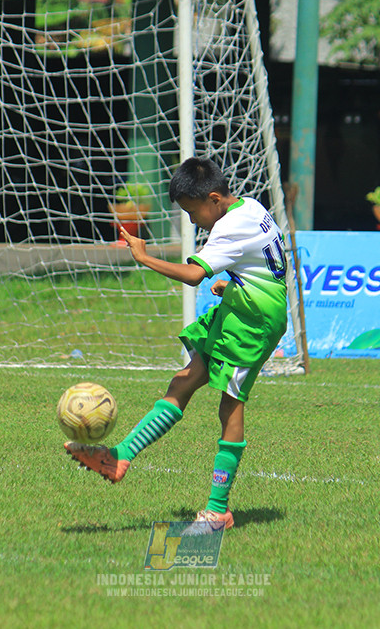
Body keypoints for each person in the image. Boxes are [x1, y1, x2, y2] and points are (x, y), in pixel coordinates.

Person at [64, 157, 288, 534]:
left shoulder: (228, 228)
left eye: (192, 210)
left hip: (254, 322)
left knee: (230, 405)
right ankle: (119, 457)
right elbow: (266, 261)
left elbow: (192, 276)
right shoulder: (249, 206)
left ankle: (218, 511)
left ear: (214, 199)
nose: (191, 219)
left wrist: (144, 257)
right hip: (241, 305)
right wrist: (235, 284)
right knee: (182, 382)